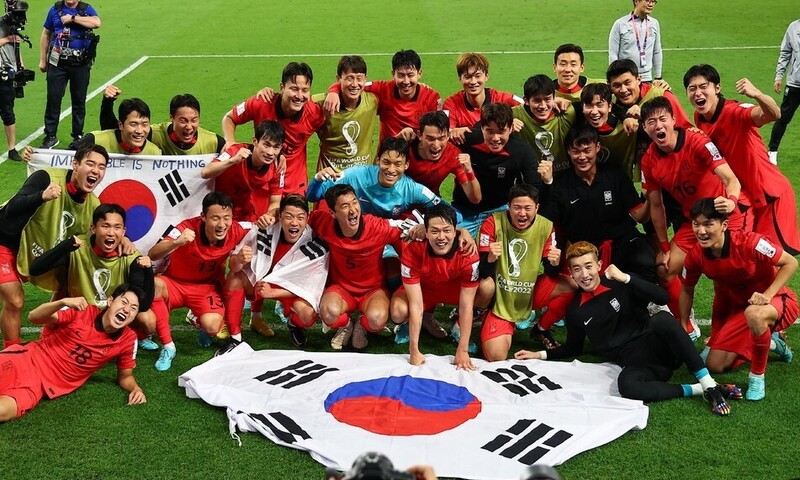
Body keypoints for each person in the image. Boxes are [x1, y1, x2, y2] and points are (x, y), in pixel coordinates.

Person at [515, 241, 737, 416]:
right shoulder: (575, 310)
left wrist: (628, 279)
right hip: (640, 366)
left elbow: (662, 296)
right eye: (577, 269)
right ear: (571, 273)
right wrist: (540, 354)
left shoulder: (619, 282)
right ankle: (701, 390)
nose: (584, 274)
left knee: (661, 319)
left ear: (599, 265)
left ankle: (707, 381)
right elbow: (573, 347)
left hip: (663, 350)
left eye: (588, 266)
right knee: (626, 386)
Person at [639, 96, 751, 335]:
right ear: (644, 128)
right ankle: (686, 328)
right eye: (651, 122)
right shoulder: (648, 159)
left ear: (673, 119)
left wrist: (730, 202)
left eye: (662, 119)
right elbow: (656, 207)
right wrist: (663, 246)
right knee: (664, 267)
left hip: (725, 216)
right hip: (695, 224)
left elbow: (731, 180)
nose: (658, 126)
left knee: (729, 276)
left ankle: (759, 324)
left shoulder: (697, 141)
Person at [680, 198, 797, 401]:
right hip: (739, 311)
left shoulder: (750, 243)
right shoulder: (695, 256)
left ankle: (757, 377)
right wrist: (683, 323)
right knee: (713, 364)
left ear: (724, 225)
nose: (701, 231)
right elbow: (687, 289)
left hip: (777, 301)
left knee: (755, 314)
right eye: (696, 224)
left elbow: (790, 262)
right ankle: (771, 343)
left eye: (708, 224)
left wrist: (767, 295)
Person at [684, 64, 800, 256]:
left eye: (704, 86)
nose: (698, 93)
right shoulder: (700, 117)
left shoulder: (735, 111)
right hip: (746, 198)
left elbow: (774, 114)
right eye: (692, 88)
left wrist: (757, 95)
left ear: (717, 88)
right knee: (747, 257)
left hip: (770, 196)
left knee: (773, 260)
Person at [2, 144, 110, 348]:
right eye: (90, 163)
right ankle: (12, 353)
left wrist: (125, 240)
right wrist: (41, 197)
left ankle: (47, 339)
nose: (96, 170)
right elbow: (11, 209)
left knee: (71, 278)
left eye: (102, 167)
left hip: (38, 252)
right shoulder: (45, 177)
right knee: (15, 301)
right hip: (7, 241)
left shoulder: (94, 205)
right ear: (75, 165)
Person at [0, 284, 146, 422]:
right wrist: (61, 302)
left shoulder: (128, 339)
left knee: (2, 411)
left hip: (38, 386)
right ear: (110, 301)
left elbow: (125, 377)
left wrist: (136, 389)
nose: (127, 310)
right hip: (26, 360)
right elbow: (33, 317)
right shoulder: (82, 312)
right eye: (124, 302)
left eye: (133, 308)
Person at [146, 192, 249, 371]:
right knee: (154, 288)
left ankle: (199, 319)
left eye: (227, 218)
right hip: (174, 284)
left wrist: (271, 217)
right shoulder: (185, 228)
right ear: (203, 217)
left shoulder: (237, 230)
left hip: (206, 288)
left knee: (213, 326)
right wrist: (176, 242)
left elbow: (261, 226)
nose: (222, 224)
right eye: (215, 218)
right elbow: (153, 254)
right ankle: (168, 346)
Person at [27, 203, 155, 343]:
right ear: (93, 228)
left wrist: (148, 271)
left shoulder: (130, 256)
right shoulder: (77, 248)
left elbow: (143, 303)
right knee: (56, 306)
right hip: (79, 311)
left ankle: (131, 338)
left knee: (148, 320)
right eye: (105, 226)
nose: (111, 233)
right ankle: (48, 336)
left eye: (117, 227)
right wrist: (65, 246)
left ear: (124, 231)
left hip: (110, 314)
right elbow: (35, 269)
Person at [218, 194, 328, 353]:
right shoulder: (265, 229)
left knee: (307, 313)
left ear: (307, 218)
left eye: (300, 217)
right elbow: (233, 267)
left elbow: (311, 288)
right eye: (288, 217)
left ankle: (293, 324)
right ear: (280, 216)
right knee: (234, 279)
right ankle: (234, 338)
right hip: (261, 283)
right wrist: (239, 259)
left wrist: (273, 292)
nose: (294, 223)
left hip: (288, 290)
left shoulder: (316, 245)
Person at [542, 125, 652, 282]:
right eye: (576, 151)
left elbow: (640, 217)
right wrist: (547, 184)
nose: (581, 157)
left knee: (646, 262)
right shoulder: (560, 186)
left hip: (622, 240)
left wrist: (650, 198)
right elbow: (547, 223)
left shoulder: (615, 175)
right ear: (568, 151)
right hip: (585, 250)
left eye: (587, 150)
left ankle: (646, 303)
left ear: (598, 147)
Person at [478, 184, 573, 361]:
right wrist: (490, 257)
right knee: (496, 356)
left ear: (537, 208)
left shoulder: (546, 227)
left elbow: (551, 273)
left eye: (528, 208)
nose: (522, 213)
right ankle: (488, 317)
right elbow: (482, 272)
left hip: (530, 293)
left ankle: (541, 329)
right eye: (517, 207)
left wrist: (555, 262)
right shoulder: (493, 223)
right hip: (501, 299)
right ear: (508, 206)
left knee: (571, 286)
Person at [309, 184, 402, 351]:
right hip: (341, 289)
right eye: (345, 206)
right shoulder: (323, 221)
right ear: (332, 213)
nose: (352, 210)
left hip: (374, 290)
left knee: (377, 319)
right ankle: (346, 324)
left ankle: (362, 326)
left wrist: (427, 228)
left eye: (354, 202)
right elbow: (301, 218)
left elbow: (407, 228)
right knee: (328, 313)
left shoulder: (376, 227)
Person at [391, 204, 481, 369]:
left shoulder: (468, 252)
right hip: (423, 291)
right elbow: (416, 304)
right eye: (434, 231)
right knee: (398, 313)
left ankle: (458, 326)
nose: (441, 237)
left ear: (456, 231)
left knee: (486, 290)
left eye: (447, 231)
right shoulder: (413, 250)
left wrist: (462, 350)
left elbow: (466, 305)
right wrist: (414, 350)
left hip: (451, 292)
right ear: (425, 232)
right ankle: (415, 323)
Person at [222, 62, 325, 196]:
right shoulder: (262, 102)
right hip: (261, 185)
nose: (299, 96)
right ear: (282, 87)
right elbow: (229, 118)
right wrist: (230, 142)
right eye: (294, 89)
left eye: (305, 90)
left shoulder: (314, 113)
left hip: (294, 187)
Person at [455, 103, 546, 237]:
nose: (495, 138)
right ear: (482, 128)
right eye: (490, 131)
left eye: (501, 131)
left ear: (510, 129)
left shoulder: (522, 151)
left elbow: (535, 186)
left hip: (500, 211)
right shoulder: (466, 140)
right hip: (464, 212)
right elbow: (439, 141)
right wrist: (452, 130)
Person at [323, 49, 441, 143]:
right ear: (393, 74)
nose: (406, 81)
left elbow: (439, 133)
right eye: (400, 75)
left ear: (419, 73)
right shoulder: (382, 89)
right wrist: (333, 91)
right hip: (388, 158)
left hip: (417, 160)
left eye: (410, 75)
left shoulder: (432, 97)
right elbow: (357, 84)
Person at [606, 59, 691, 179]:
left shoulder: (662, 95)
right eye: (617, 85)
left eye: (627, 82)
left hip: (673, 166)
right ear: (609, 87)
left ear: (639, 79)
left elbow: (686, 129)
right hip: (641, 167)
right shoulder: (611, 103)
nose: (623, 90)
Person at [38, 0, 100, 149]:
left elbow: (97, 23)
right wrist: (42, 60)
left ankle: (78, 135)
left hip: (80, 62)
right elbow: (46, 34)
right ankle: (50, 135)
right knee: (53, 98)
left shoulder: (86, 9)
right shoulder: (54, 10)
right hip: (57, 63)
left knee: (78, 100)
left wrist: (73, 19)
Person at [201, 120, 284, 224]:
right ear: (255, 141)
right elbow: (205, 172)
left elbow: (275, 203)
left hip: (246, 218)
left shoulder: (278, 167)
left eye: (276, 147)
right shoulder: (236, 151)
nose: (270, 152)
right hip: (219, 215)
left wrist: (268, 217)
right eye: (266, 145)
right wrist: (232, 161)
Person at [100, 86, 225, 155]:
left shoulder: (212, 141)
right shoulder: (154, 134)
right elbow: (115, 131)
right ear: (172, 118)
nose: (189, 126)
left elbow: (231, 153)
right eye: (183, 121)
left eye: (194, 120)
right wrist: (108, 102)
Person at [314, 55, 378, 173]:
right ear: (339, 79)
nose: (354, 84)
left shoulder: (373, 101)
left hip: (362, 179)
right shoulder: (321, 104)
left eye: (359, 78)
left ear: (365, 79)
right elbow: (296, 102)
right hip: (331, 180)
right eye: (349, 78)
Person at [403, 110, 480, 203]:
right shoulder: (405, 148)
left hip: (429, 204)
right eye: (430, 139)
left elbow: (475, 199)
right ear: (420, 135)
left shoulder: (453, 154)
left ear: (448, 135)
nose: (436, 145)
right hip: (400, 201)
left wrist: (469, 171)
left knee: (456, 217)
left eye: (441, 138)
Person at [442, 52, 521, 141]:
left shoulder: (502, 99)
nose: (473, 81)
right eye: (467, 77)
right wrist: (453, 132)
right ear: (460, 79)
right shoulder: (450, 104)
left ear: (486, 76)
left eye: (478, 76)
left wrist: (510, 121)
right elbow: (444, 132)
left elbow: (527, 106)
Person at [512, 74, 577, 174]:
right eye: (537, 100)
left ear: (554, 98)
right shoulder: (514, 115)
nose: (543, 106)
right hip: (532, 178)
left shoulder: (567, 113)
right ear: (526, 101)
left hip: (565, 176)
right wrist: (506, 124)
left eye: (547, 99)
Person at [71, 97, 161, 155]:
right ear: (121, 125)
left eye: (144, 124)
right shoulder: (95, 140)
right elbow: (63, 156)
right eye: (133, 124)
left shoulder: (154, 153)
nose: (139, 131)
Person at [768, 19, 800, 164]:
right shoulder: (794, 27)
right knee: (783, 117)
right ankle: (772, 151)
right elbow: (785, 52)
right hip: (795, 83)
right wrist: (779, 76)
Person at [608, 0, 662, 83]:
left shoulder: (654, 23)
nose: (651, 4)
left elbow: (657, 51)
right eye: (648, 1)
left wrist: (658, 77)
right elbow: (613, 53)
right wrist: (615, 76)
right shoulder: (620, 24)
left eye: (653, 1)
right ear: (636, 1)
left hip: (647, 78)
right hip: (626, 78)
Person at [0, 8, 23, 161]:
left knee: (8, 111)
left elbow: (15, 48)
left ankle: (12, 149)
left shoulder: (10, 24)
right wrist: (8, 39)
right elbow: (9, 41)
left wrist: (21, 66)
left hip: (5, 75)